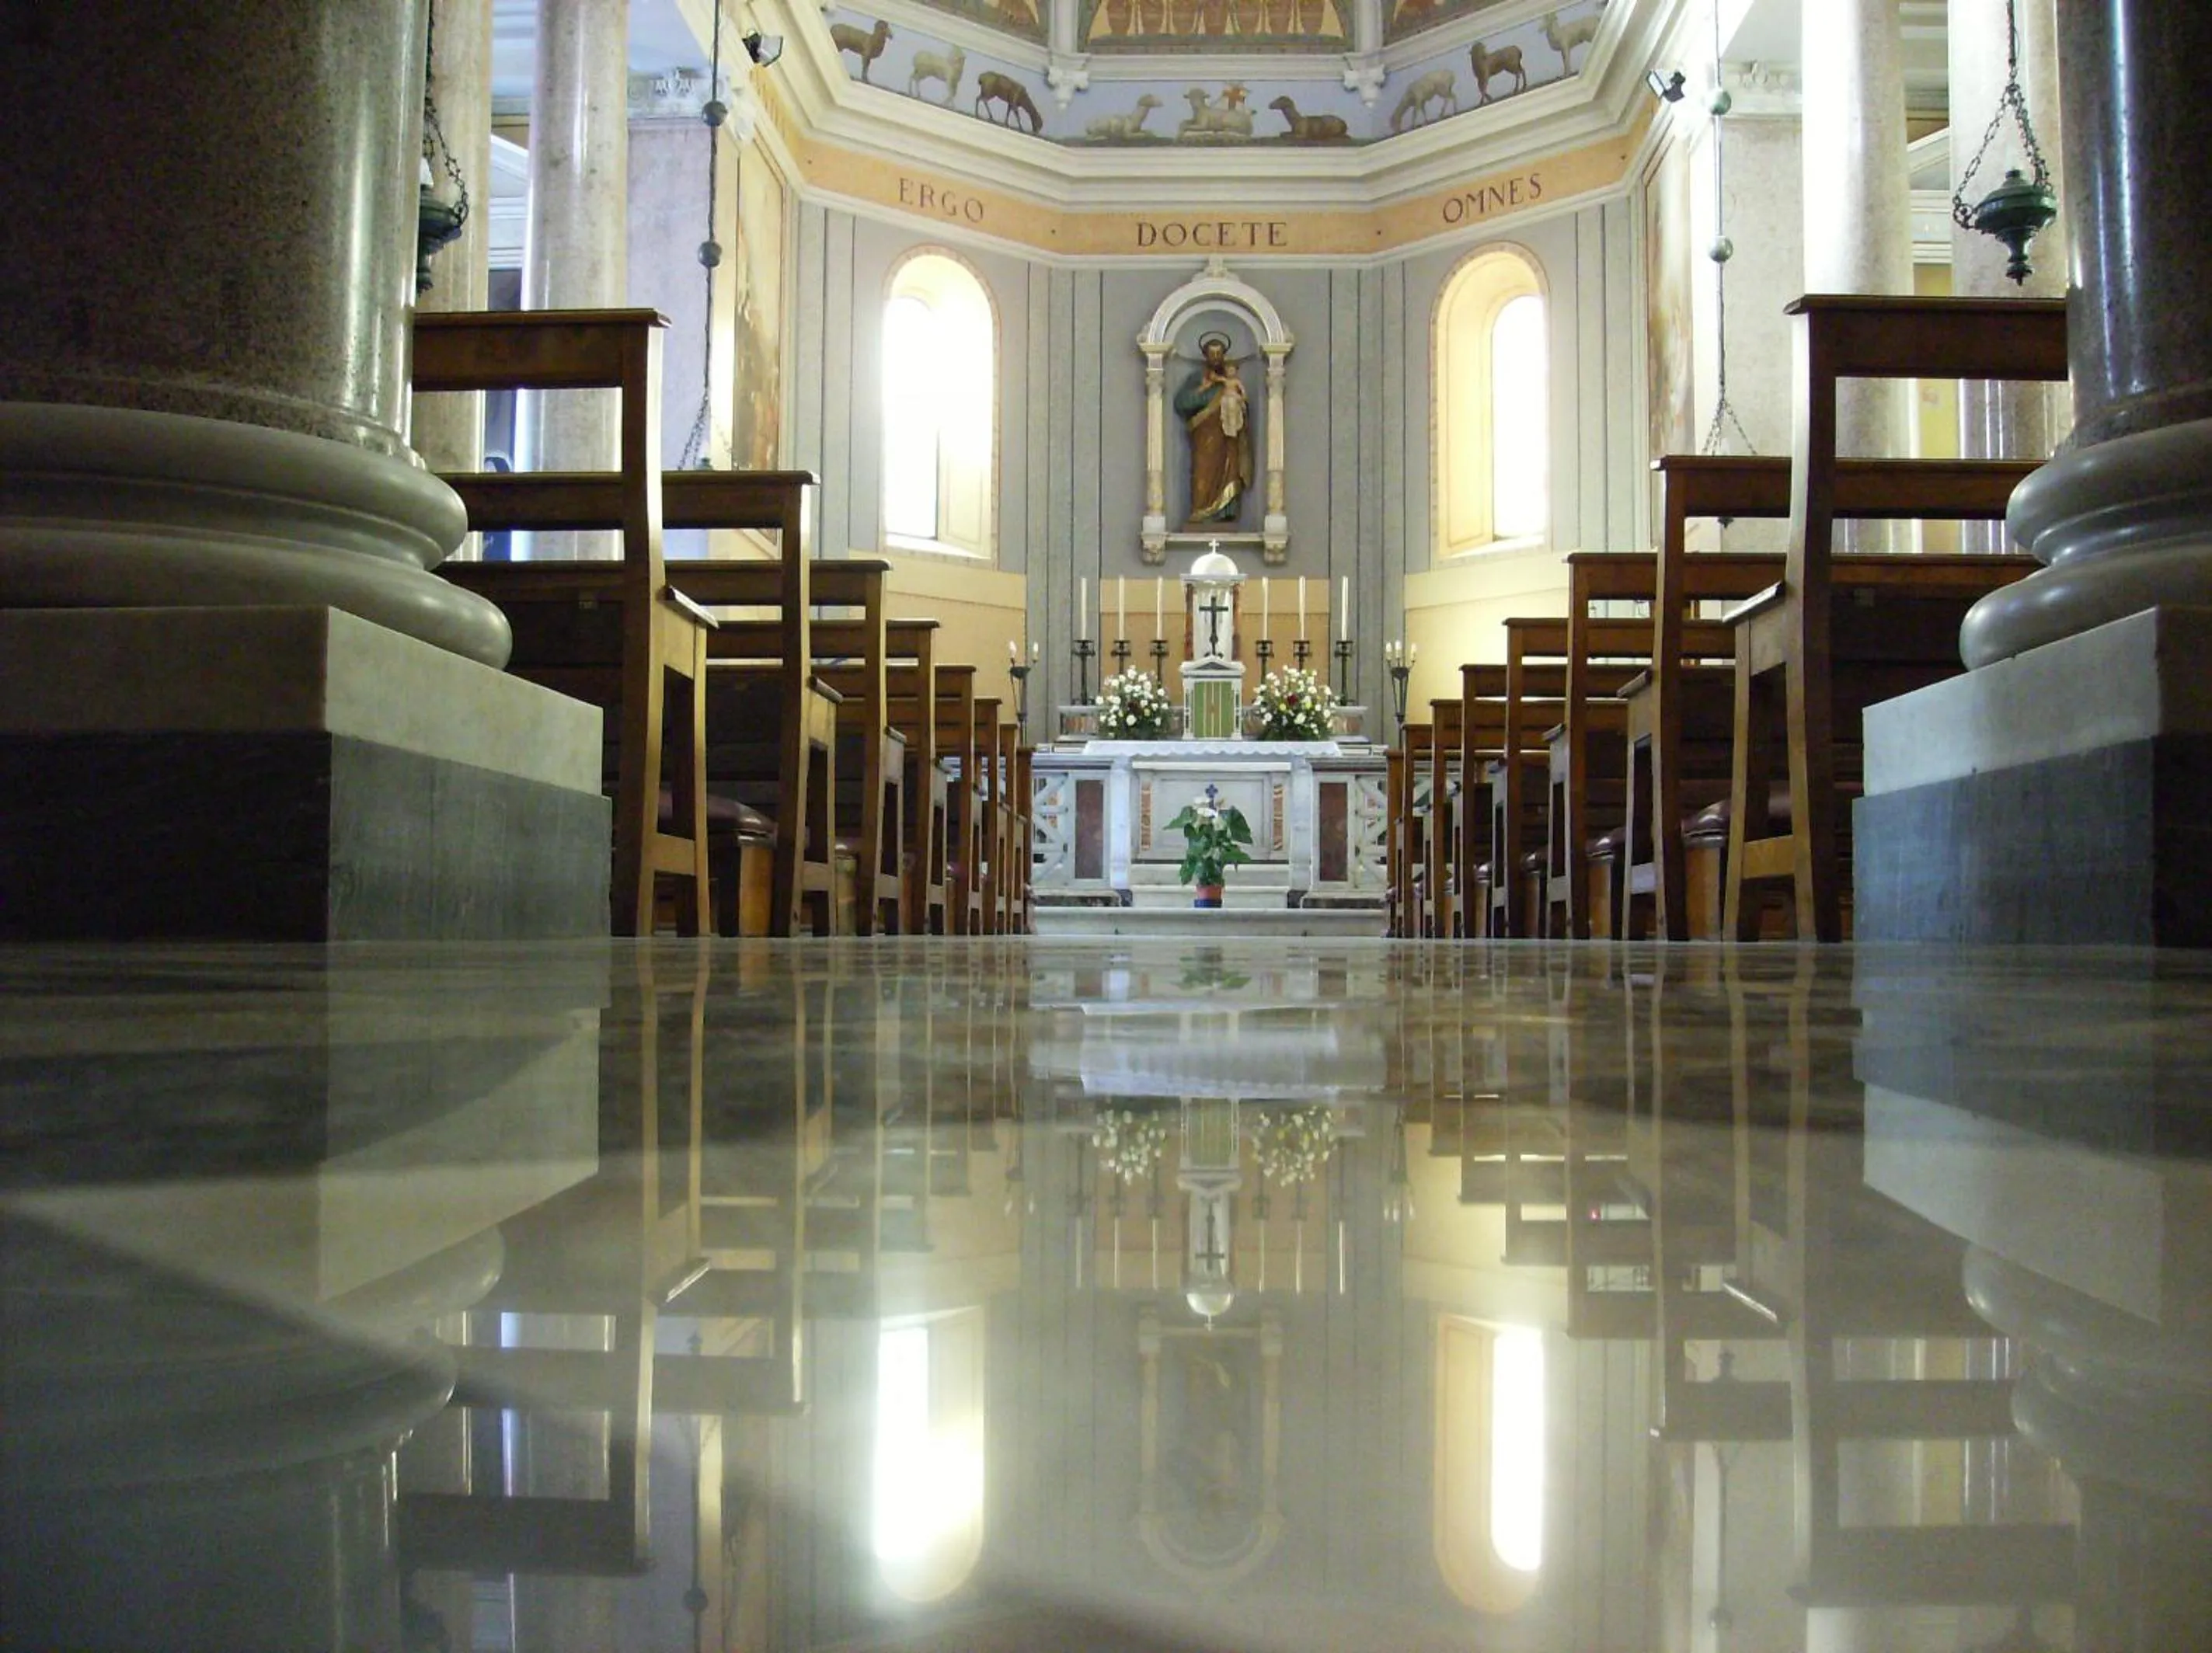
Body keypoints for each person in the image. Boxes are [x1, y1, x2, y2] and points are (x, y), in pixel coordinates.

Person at [1174, 332, 1251, 526]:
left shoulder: (1231, 379)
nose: (1216, 358)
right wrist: (1208, 394)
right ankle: (1201, 510)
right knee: (1203, 471)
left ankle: (1226, 511)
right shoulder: (1197, 379)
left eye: (1219, 354)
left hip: (1228, 435)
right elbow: (1182, 403)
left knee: (1230, 470)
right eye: (1212, 354)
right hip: (1205, 436)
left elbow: (1244, 403)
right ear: (1205, 356)